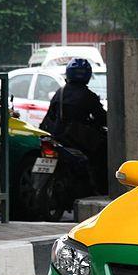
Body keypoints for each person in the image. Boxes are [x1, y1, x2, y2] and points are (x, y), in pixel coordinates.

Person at [40, 58, 108, 192]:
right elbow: (102, 118)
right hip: (76, 141)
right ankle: (100, 188)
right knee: (103, 152)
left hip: (56, 138)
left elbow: (49, 117)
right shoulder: (89, 96)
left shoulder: (60, 93)